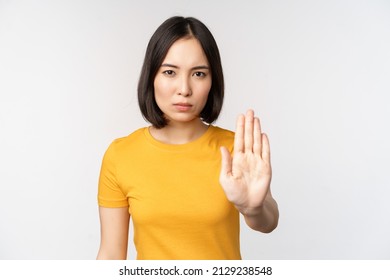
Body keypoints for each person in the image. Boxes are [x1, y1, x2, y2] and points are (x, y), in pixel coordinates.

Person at [96, 16, 279, 260]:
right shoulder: (121, 155)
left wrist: (253, 208)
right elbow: (110, 255)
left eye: (199, 74)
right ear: (152, 76)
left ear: (212, 81)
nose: (184, 88)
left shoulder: (235, 149)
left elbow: (268, 222)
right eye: (170, 72)